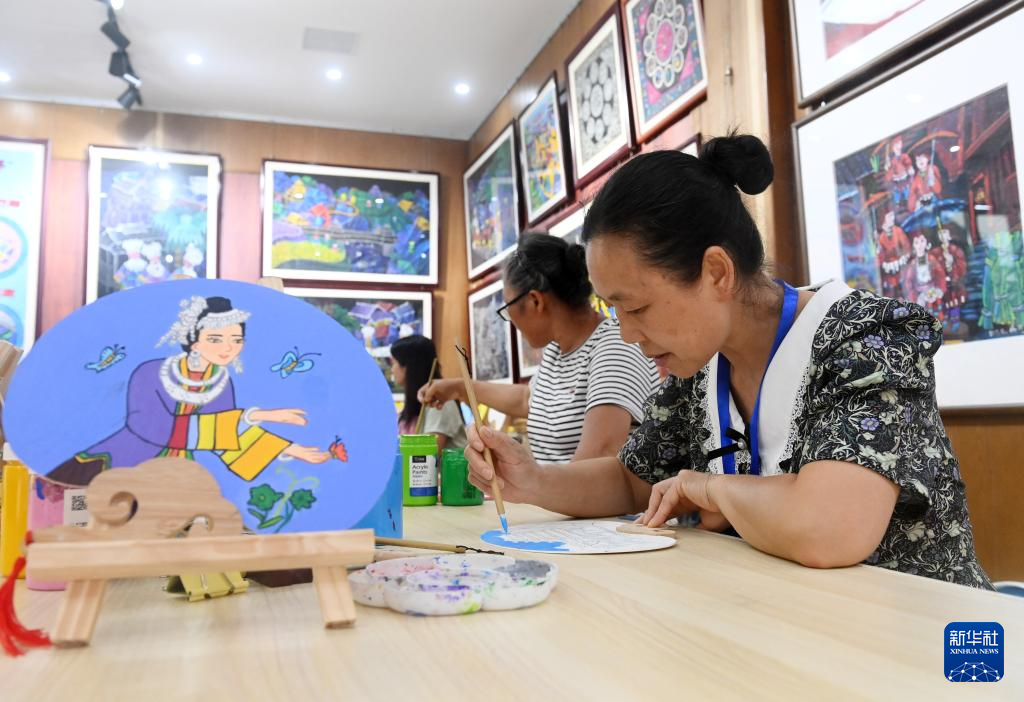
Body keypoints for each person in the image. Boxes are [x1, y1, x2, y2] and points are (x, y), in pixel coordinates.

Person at [463, 134, 992, 589]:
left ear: (717, 272)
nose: (626, 334)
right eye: (613, 311)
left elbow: (828, 528)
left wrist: (708, 485)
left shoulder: (866, 339)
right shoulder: (698, 367)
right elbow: (630, 479)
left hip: (926, 639)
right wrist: (532, 479)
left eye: (637, 307)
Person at [422, 232, 659, 463]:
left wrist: (526, 478)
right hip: (551, 491)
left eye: (508, 308)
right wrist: (459, 388)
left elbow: (599, 455)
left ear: (535, 301)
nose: (511, 320)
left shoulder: (614, 347)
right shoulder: (557, 350)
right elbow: (528, 400)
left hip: (579, 492)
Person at [48, 295, 329, 486]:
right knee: (80, 516)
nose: (228, 348)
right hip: (121, 463)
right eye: (216, 339)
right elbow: (152, 427)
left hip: (178, 475)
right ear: (194, 340)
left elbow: (221, 437)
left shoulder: (220, 382)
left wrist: (288, 448)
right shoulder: (150, 372)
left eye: (236, 339)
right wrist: (258, 415)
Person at [391, 334, 468, 450]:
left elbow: (428, 452)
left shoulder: (440, 402)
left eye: (393, 363)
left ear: (408, 366)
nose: (392, 369)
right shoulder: (413, 405)